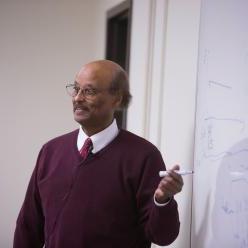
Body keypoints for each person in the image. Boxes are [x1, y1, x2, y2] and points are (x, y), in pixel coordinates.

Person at [14, 60, 184, 248]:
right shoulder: (50, 151)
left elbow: (162, 237)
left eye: (89, 91)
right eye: (76, 89)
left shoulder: (144, 156)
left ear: (116, 98)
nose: (77, 98)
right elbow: (28, 227)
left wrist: (162, 200)